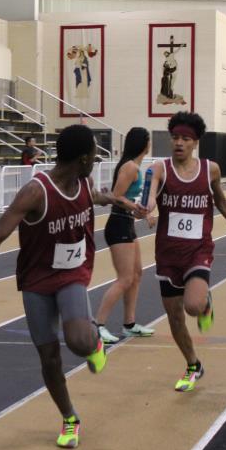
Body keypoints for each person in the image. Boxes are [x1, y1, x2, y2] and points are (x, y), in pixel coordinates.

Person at [0, 124, 117, 450]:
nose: (96, 160)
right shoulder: (36, 192)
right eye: (94, 155)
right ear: (83, 159)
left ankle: (93, 341)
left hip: (73, 273)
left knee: (78, 341)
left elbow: (94, 196)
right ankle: (69, 418)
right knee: (49, 358)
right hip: (37, 280)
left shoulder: (84, 183)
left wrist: (115, 199)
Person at [144, 112, 226, 392]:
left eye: (185, 139)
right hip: (168, 254)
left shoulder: (211, 170)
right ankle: (193, 365)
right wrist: (147, 208)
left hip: (198, 250)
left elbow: (222, 203)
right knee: (175, 318)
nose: (179, 143)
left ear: (195, 142)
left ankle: (205, 303)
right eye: (175, 137)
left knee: (193, 306)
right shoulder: (160, 169)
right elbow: (149, 196)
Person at [95, 127, 156, 344]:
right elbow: (116, 196)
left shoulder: (135, 167)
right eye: (148, 140)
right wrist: (138, 209)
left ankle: (129, 324)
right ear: (144, 144)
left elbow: (125, 200)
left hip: (126, 223)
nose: (150, 144)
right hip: (118, 225)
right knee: (125, 278)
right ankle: (98, 326)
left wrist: (138, 211)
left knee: (137, 274)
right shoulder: (130, 167)